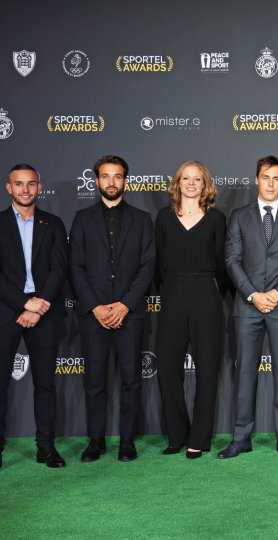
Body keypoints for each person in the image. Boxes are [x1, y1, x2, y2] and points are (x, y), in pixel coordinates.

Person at [218, 156, 278, 459]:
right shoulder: (239, 216)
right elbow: (231, 259)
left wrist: (277, 293)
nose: (271, 183)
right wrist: (253, 294)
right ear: (256, 179)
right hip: (247, 307)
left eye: (276, 178)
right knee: (244, 374)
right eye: (265, 177)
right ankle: (241, 436)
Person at [70, 155, 155, 463]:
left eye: (117, 176)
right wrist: (95, 307)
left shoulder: (142, 219)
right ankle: (96, 440)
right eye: (105, 176)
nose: (111, 182)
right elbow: (75, 267)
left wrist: (124, 305)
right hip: (93, 317)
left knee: (131, 381)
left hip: (129, 315)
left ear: (125, 181)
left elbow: (147, 267)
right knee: (94, 381)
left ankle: (127, 441)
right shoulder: (81, 218)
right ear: (96, 181)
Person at [155, 160, 227, 459]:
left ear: (205, 184)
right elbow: (158, 263)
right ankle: (177, 435)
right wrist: (172, 289)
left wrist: (209, 292)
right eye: (186, 178)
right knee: (168, 370)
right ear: (178, 183)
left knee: (207, 371)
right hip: (172, 294)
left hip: (205, 297)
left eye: (197, 179)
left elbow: (223, 265)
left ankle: (199, 438)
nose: (191, 183)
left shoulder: (216, 218)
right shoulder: (163, 217)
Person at [0, 164, 68, 468]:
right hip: (7, 312)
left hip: (44, 313)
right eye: (19, 184)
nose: (25, 190)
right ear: (9, 188)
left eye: (30, 184)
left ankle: (46, 447)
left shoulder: (52, 224)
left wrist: (39, 304)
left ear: (39, 188)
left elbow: (59, 269)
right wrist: (24, 304)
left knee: (45, 385)